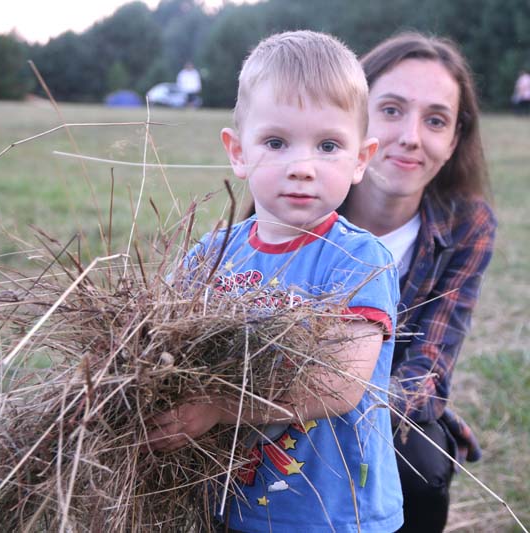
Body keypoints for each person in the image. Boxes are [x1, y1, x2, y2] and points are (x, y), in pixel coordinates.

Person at [146, 30, 404, 532]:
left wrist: (216, 408)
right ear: (238, 152)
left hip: (332, 512)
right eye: (276, 142)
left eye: (328, 145)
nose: (302, 167)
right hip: (229, 503)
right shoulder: (212, 256)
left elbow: (339, 384)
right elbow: (157, 336)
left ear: (361, 159)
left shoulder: (357, 259)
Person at [339, 33, 497, 532]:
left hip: (380, 413)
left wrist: (335, 405)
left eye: (435, 120)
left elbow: (427, 369)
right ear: (353, 113)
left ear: (453, 141)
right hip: (267, 411)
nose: (411, 136)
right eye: (391, 109)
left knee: (422, 458)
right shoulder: (298, 194)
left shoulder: (467, 225)